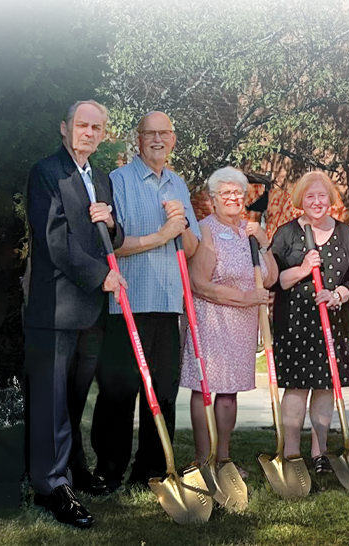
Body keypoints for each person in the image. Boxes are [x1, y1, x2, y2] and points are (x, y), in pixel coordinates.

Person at [22, 99, 124, 529]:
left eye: (96, 127)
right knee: (50, 401)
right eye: (82, 125)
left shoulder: (100, 178)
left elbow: (112, 238)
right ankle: (50, 487)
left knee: (73, 399)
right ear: (65, 128)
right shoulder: (47, 173)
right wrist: (101, 276)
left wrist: (112, 224)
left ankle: (69, 470)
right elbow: (54, 240)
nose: (89, 133)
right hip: (56, 307)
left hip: (91, 310)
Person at [91, 111, 200, 491]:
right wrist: (163, 234)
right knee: (119, 391)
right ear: (138, 139)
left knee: (164, 393)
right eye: (149, 133)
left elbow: (191, 248)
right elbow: (111, 245)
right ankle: (109, 471)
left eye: (163, 133)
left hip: (168, 305)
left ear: (173, 139)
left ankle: (152, 469)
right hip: (127, 303)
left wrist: (182, 224)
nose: (157, 139)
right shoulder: (117, 181)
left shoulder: (178, 184)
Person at [270, 171, 349, 474]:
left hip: (334, 322)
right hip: (296, 323)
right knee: (297, 388)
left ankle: (320, 452)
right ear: (301, 199)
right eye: (310, 196)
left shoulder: (346, 233)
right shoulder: (286, 234)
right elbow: (274, 280)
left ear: (330, 199)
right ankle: (291, 453)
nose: (316, 201)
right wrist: (303, 269)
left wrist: (338, 294)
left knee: (325, 387)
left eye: (322, 195)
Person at [182, 167, 274, 468]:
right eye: (226, 193)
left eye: (238, 193)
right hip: (213, 319)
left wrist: (263, 241)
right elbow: (199, 284)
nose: (233, 198)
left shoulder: (249, 231)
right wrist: (246, 298)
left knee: (229, 393)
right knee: (205, 389)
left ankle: (223, 458)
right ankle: (202, 458)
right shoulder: (205, 230)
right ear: (213, 199)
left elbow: (270, 277)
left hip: (242, 325)